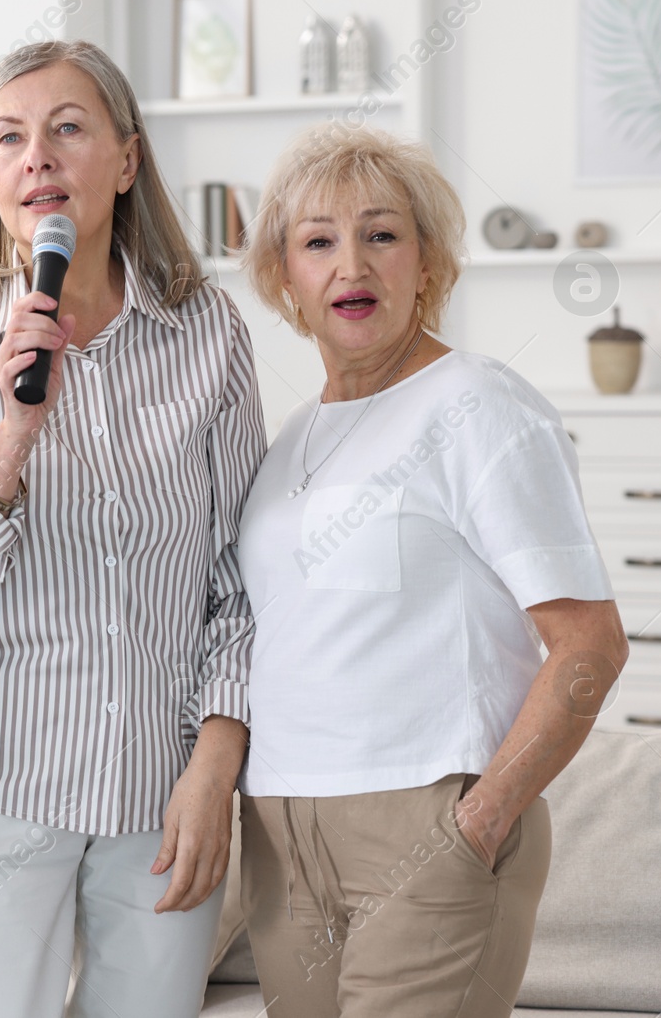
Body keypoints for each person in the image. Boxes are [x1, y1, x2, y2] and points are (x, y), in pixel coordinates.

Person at [0, 40, 266, 1018]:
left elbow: (245, 579)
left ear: (126, 161)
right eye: (9, 136)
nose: (36, 155)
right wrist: (13, 430)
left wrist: (215, 767)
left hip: (160, 793)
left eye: (67, 128)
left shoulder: (207, 332)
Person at [233, 123, 629, 1016]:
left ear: (428, 264)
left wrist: (478, 824)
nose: (352, 266)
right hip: (282, 841)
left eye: (382, 234)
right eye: (318, 242)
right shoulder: (289, 440)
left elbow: (589, 647)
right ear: (282, 278)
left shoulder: (480, 403)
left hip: (427, 824)